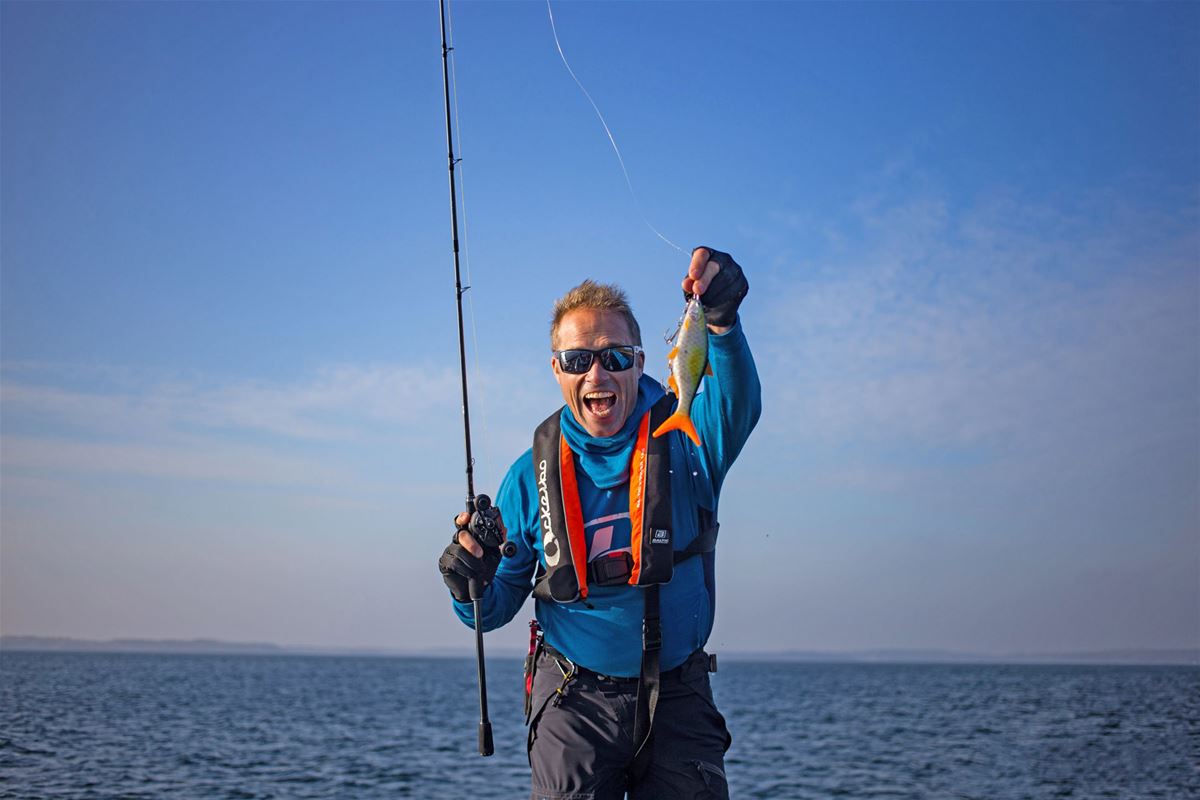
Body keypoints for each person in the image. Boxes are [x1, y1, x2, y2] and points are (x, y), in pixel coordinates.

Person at [439, 246, 760, 799]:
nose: (596, 373)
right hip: (574, 703)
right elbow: (488, 613)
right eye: (576, 360)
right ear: (556, 370)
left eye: (615, 357)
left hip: (679, 695)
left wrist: (723, 321)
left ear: (641, 362)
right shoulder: (527, 477)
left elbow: (737, 404)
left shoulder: (688, 436)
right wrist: (468, 578)